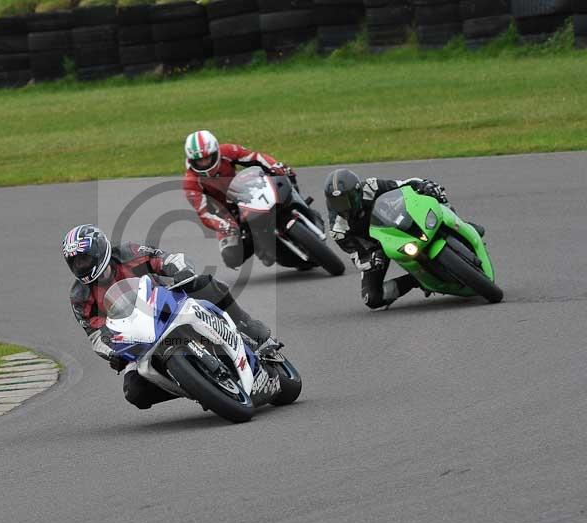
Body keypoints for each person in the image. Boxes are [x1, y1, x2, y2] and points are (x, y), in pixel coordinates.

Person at [64, 224, 276, 409]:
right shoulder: (80, 297)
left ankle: (249, 327)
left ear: (100, 250)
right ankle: (196, 386)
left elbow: (165, 258)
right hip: (138, 338)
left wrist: (180, 270)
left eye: (84, 259)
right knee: (135, 392)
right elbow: (96, 335)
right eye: (74, 262)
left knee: (204, 284)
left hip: (168, 304)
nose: (80, 266)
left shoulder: (128, 252)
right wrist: (113, 351)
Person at [324, 168, 485, 309]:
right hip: (378, 248)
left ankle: (462, 226)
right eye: (335, 202)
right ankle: (417, 280)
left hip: (396, 220)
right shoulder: (338, 229)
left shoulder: (371, 187)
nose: (342, 207)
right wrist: (371, 260)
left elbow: (403, 185)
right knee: (372, 299)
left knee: (437, 200)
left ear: (357, 192)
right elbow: (356, 256)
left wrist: (424, 185)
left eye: (345, 200)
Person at [182, 130, 321, 269]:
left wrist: (275, 166)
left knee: (286, 176)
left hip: (245, 192)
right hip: (226, 214)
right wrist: (224, 225)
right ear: (191, 160)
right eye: (199, 161)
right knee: (231, 257)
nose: (204, 163)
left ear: (216, 152)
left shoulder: (228, 151)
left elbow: (256, 157)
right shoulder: (190, 182)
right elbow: (204, 213)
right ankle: (261, 247)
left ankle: (301, 206)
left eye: (207, 158)